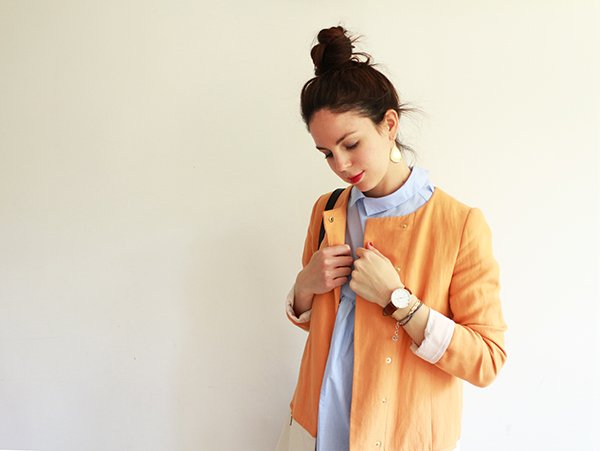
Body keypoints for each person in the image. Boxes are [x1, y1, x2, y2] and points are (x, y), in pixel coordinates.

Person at [278, 25, 508, 451]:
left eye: (351, 144)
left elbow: (486, 360)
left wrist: (397, 300)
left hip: (401, 437)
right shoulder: (327, 210)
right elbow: (315, 322)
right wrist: (304, 286)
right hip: (314, 426)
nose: (341, 165)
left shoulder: (458, 224)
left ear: (388, 124)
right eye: (327, 153)